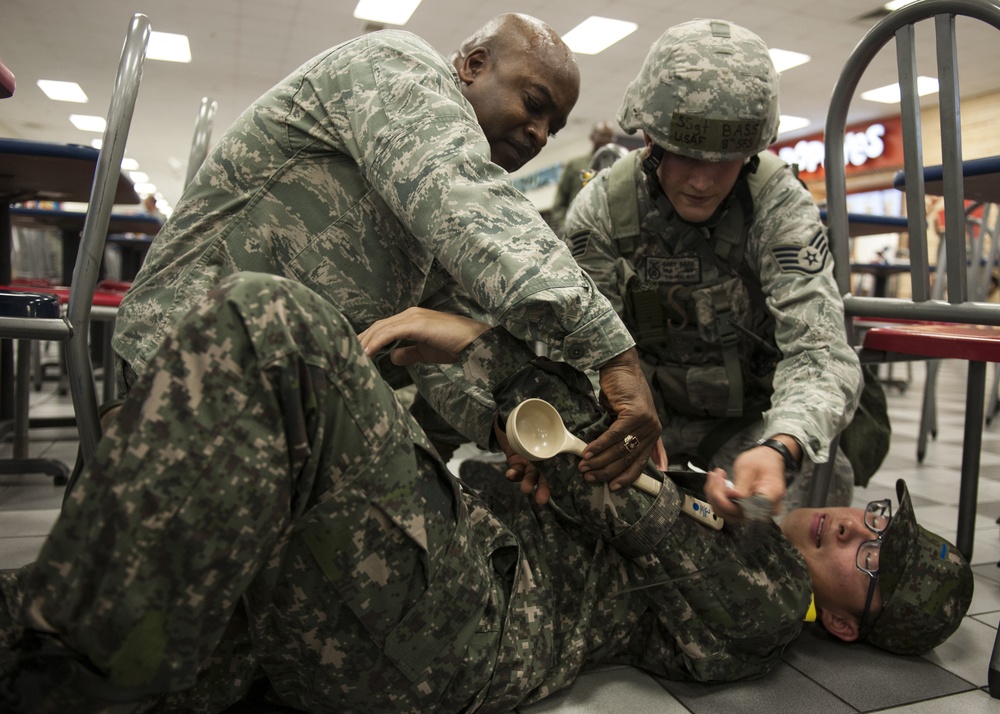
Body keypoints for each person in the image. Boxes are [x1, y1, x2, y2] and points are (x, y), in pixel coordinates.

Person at [0, 274, 972, 713]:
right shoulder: (729, 522)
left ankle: (68, 667)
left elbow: (611, 493)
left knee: (276, 326)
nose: (855, 524)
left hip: (471, 620)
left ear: (842, 625)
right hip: (450, 575)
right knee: (148, 621)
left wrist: (477, 347)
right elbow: (595, 484)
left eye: (869, 558)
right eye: (876, 521)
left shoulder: (762, 601)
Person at [110, 14, 660, 493]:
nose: (541, 134)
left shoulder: (427, 207)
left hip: (288, 393)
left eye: (555, 127)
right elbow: (462, 197)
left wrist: (505, 426)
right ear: (472, 65)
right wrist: (614, 355)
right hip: (190, 356)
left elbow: (430, 346)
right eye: (534, 105)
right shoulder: (396, 63)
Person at [562, 19, 864, 519]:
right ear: (650, 140)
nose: (701, 180)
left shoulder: (778, 205)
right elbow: (579, 350)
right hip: (642, 415)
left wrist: (780, 445)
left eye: (724, 160)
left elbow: (819, 351)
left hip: (753, 420)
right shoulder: (603, 208)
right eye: (682, 156)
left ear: (750, 155)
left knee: (817, 488)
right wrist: (619, 425)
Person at [549, 120, 616, 234]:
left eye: (609, 137)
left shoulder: (616, 168)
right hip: (576, 231)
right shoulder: (575, 165)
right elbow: (559, 201)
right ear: (592, 137)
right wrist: (564, 226)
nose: (606, 141)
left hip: (606, 232)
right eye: (602, 136)